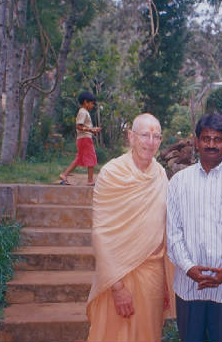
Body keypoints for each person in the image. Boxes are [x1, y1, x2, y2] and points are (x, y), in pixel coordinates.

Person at [167, 113, 222, 342]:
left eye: (217, 139)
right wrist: (188, 268)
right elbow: (173, 232)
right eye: (206, 138)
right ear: (196, 142)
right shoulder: (179, 182)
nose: (211, 144)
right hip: (189, 285)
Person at [86, 113, 175, 342]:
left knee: (149, 334)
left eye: (156, 136)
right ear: (131, 137)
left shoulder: (160, 175)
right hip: (118, 275)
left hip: (152, 274)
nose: (150, 142)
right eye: (145, 135)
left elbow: (162, 229)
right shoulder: (112, 173)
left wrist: (166, 280)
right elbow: (101, 233)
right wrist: (117, 287)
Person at [59, 91, 101, 186]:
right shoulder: (83, 112)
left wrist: (92, 130)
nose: (92, 106)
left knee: (79, 158)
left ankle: (64, 174)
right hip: (85, 139)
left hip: (82, 138)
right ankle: (90, 180)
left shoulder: (84, 112)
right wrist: (91, 130)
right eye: (91, 103)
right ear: (86, 102)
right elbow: (78, 126)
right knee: (91, 157)